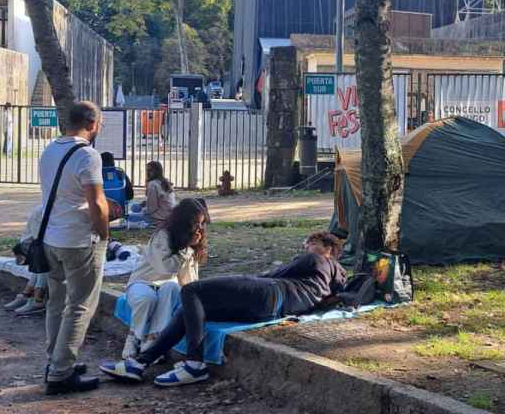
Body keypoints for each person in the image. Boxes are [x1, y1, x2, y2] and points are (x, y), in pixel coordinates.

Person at [101, 231, 346, 387]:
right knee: (192, 308)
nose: (305, 248)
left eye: (310, 243)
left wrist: (249, 280)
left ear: (327, 248)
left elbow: (272, 274)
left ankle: (194, 365)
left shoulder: (319, 260)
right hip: (271, 307)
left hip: (270, 292)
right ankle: (141, 363)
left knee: (191, 291)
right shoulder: (332, 280)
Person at [39, 101, 109, 395]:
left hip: (50, 238)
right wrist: (104, 234)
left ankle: (55, 361)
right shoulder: (88, 156)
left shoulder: (49, 150)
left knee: (57, 303)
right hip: (78, 240)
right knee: (80, 306)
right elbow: (96, 203)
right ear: (92, 124)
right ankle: (61, 373)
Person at [122, 198, 208, 359]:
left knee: (172, 288)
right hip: (143, 282)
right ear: (184, 221)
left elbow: (188, 280)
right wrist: (185, 249)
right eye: (195, 223)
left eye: (201, 224)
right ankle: (134, 337)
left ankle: (153, 340)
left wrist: (196, 299)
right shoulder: (162, 236)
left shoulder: (192, 242)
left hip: (166, 286)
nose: (199, 228)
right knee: (147, 298)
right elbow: (166, 268)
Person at [4, 205, 49, 316]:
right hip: (34, 249)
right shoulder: (42, 210)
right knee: (44, 258)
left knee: (45, 259)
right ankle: (35, 297)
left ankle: (30, 295)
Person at [130, 161, 175, 228]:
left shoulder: (153, 184)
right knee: (135, 208)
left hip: (159, 217)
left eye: (149, 170)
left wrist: (143, 209)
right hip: (168, 214)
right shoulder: (164, 181)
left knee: (129, 216)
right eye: (147, 170)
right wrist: (144, 204)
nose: (147, 173)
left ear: (157, 171)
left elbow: (152, 209)